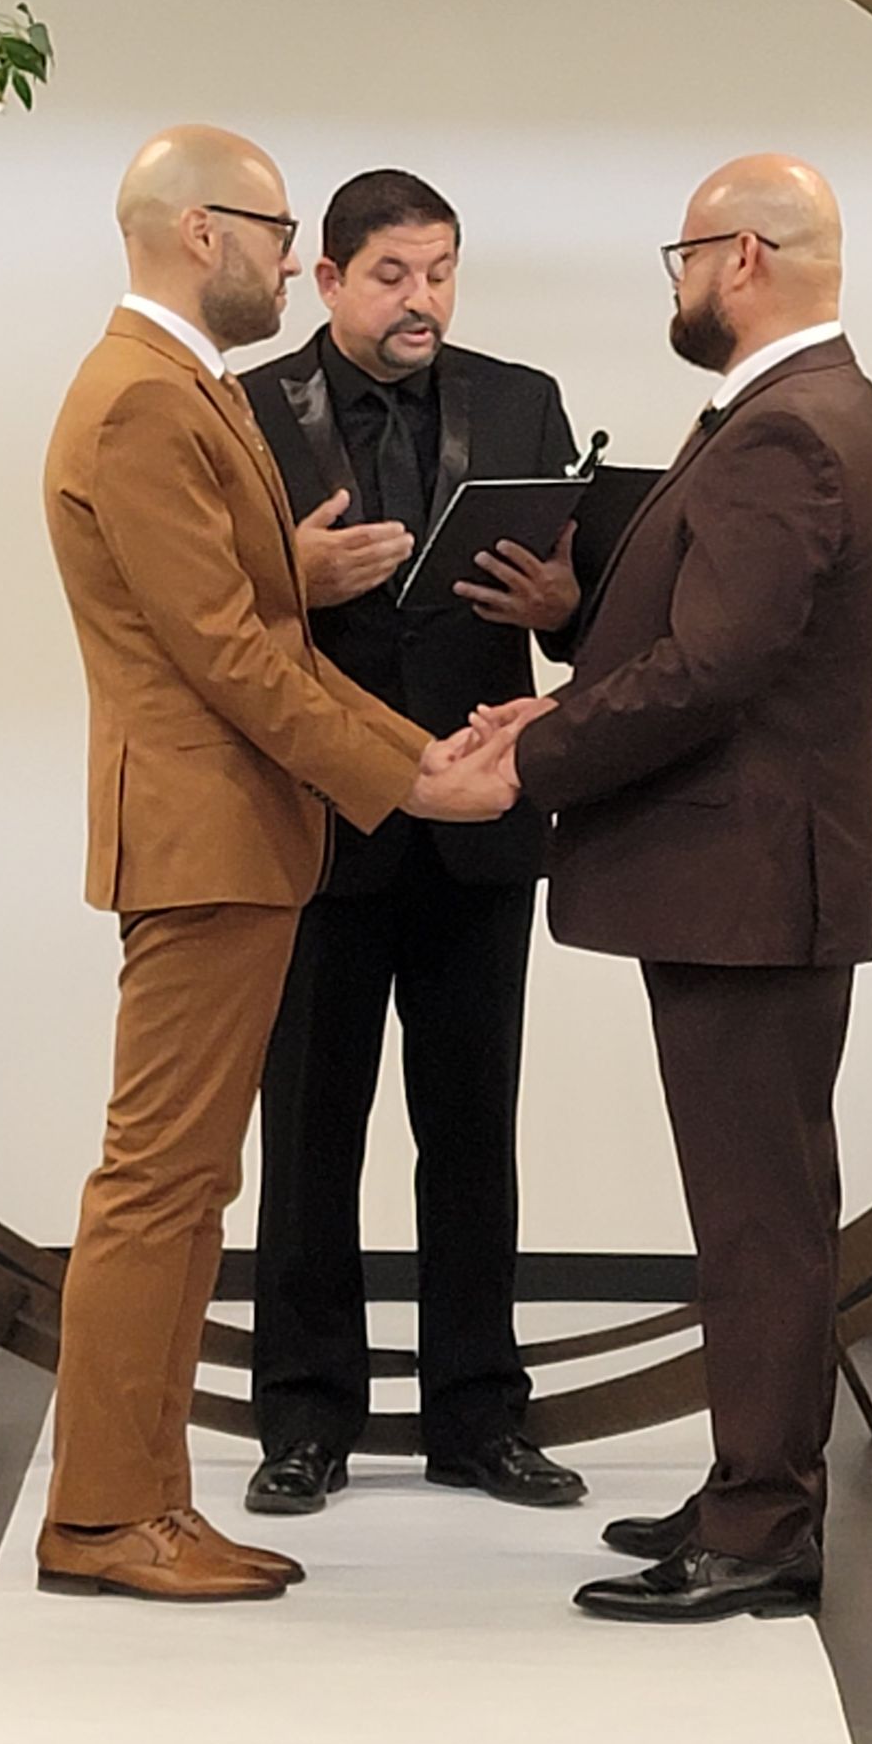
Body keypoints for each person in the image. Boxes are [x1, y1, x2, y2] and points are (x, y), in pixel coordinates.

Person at [36, 126, 518, 1606]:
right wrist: (414, 769)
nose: (283, 247)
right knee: (161, 1181)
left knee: (189, 1185)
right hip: (204, 833)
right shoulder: (144, 401)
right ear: (203, 232)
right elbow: (233, 657)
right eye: (278, 225)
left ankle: (147, 1496)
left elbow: (240, 607)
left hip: (244, 834)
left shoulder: (177, 388)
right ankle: (109, 1515)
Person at [483, 153, 872, 1624]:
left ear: (743, 259)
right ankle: (748, 1484)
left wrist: (534, 753)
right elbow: (710, 617)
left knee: (760, 1214)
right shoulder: (793, 413)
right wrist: (580, 617)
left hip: (749, 881)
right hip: (745, 878)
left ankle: (769, 1523)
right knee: (752, 1204)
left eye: (682, 255)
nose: (675, 282)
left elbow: (719, 669)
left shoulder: (791, 429)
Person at [239, 169, 588, 1515]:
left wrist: (566, 600)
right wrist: (292, 578)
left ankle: (478, 1416)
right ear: (326, 281)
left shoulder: (522, 400)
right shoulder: (250, 411)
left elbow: (568, 612)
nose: (422, 298)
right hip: (320, 826)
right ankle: (308, 1418)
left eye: (440, 271)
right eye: (392, 274)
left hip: (482, 822)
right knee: (311, 1134)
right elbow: (206, 614)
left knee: (473, 1132)